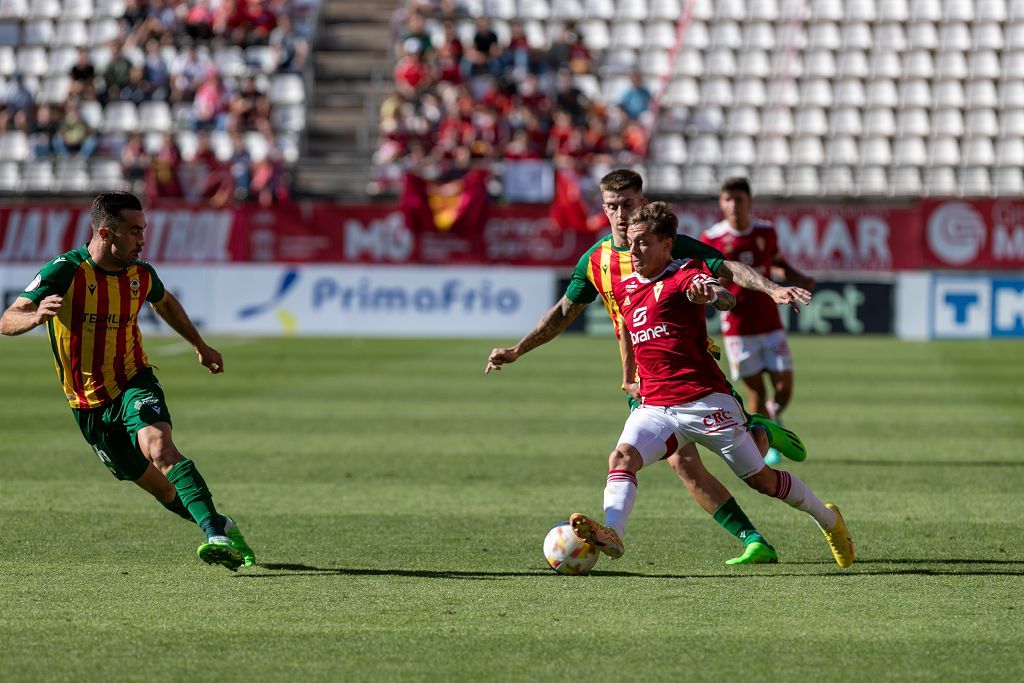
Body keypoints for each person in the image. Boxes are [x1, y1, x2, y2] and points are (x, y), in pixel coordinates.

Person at [486, 169, 811, 565]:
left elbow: (728, 269)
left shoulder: (668, 246)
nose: (620, 214)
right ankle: (753, 540)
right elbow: (563, 313)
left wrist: (772, 288)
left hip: (692, 370)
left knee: (739, 461)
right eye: (612, 206)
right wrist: (519, 350)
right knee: (684, 465)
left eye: (628, 204)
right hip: (644, 378)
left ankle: (760, 431)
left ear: (642, 203)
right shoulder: (596, 261)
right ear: (603, 209)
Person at [568, 202, 854, 569]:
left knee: (762, 482)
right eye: (631, 243)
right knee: (621, 459)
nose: (634, 251)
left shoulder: (684, 274)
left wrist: (714, 295)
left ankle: (829, 520)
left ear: (667, 245)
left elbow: (723, 294)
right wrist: (629, 375)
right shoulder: (624, 288)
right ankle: (612, 531)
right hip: (655, 407)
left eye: (644, 243)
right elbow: (627, 333)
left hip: (705, 402)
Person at [0, 192, 255, 571]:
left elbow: (164, 302)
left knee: (159, 447)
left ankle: (213, 537)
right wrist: (35, 317)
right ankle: (222, 526)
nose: (142, 239)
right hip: (87, 404)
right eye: (134, 231)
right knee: (163, 488)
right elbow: (8, 319)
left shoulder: (141, 274)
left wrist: (199, 345)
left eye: (143, 230)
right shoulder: (65, 270)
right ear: (106, 232)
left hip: (134, 380)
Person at [701, 177, 816, 462]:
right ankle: (767, 446)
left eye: (738, 199)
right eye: (727, 199)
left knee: (784, 388)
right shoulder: (712, 238)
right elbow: (707, 275)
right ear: (721, 202)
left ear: (749, 202)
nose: (733, 205)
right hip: (738, 328)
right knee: (756, 391)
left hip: (770, 323)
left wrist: (797, 276)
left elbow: (776, 261)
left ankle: (772, 421)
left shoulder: (766, 231)